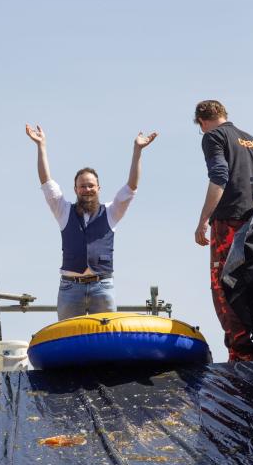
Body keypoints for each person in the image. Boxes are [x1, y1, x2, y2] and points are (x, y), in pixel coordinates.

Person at [26, 123, 158, 320]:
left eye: (90, 185)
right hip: (70, 288)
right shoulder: (63, 211)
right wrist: (41, 146)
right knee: (69, 340)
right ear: (75, 189)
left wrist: (137, 150)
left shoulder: (112, 212)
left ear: (98, 188)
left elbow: (131, 187)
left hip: (102, 286)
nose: (87, 189)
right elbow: (47, 183)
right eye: (82, 186)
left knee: (106, 340)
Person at [194, 100, 253, 362]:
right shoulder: (252, 141)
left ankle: (240, 352)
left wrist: (203, 220)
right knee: (252, 283)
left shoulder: (213, 136)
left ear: (201, 122)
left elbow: (219, 175)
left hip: (230, 221)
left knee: (223, 284)